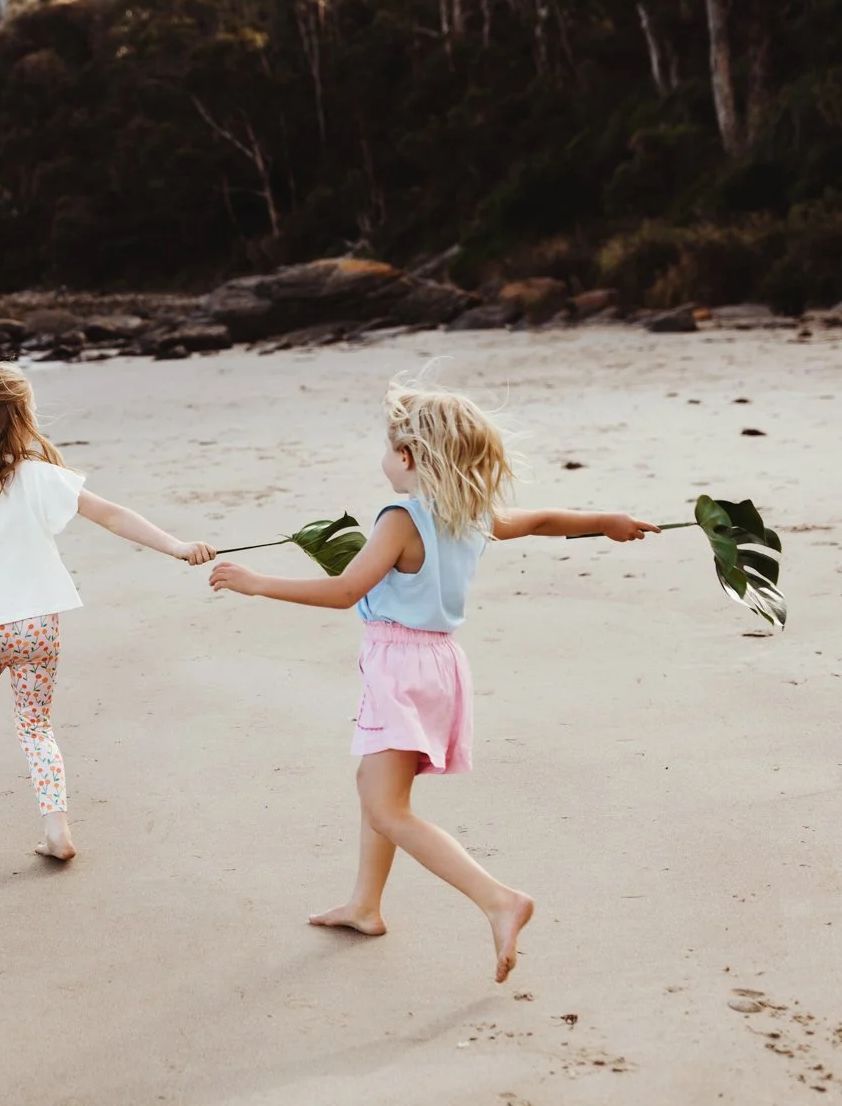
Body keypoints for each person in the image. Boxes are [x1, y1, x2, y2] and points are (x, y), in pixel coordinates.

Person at [209, 378, 658, 981]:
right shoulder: (470, 514)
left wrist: (257, 582)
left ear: (412, 457)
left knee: (386, 808)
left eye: (390, 448)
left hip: (400, 666)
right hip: (439, 664)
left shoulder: (402, 518)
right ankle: (366, 906)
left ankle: (500, 900)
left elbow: (346, 592)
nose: (384, 459)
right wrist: (608, 521)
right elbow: (546, 519)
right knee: (376, 787)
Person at [0, 363, 214, 860]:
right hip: (38, 629)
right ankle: (56, 831)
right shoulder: (40, 477)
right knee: (35, 727)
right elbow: (113, 516)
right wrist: (176, 546)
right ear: (22, 417)